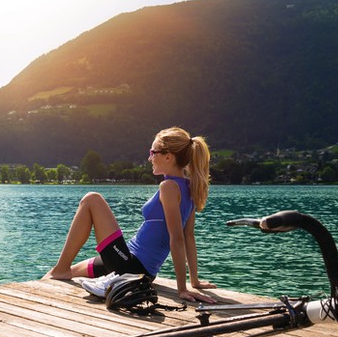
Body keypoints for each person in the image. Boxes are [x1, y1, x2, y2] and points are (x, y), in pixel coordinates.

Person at [44, 127, 217, 303]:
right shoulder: (189, 188)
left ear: (168, 156)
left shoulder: (169, 187)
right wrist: (194, 281)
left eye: (153, 152)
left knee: (91, 200)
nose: (150, 158)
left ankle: (60, 269)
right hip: (131, 262)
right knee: (67, 273)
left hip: (131, 266)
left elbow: (178, 238)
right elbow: (189, 236)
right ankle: (59, 271)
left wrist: (182, 289)